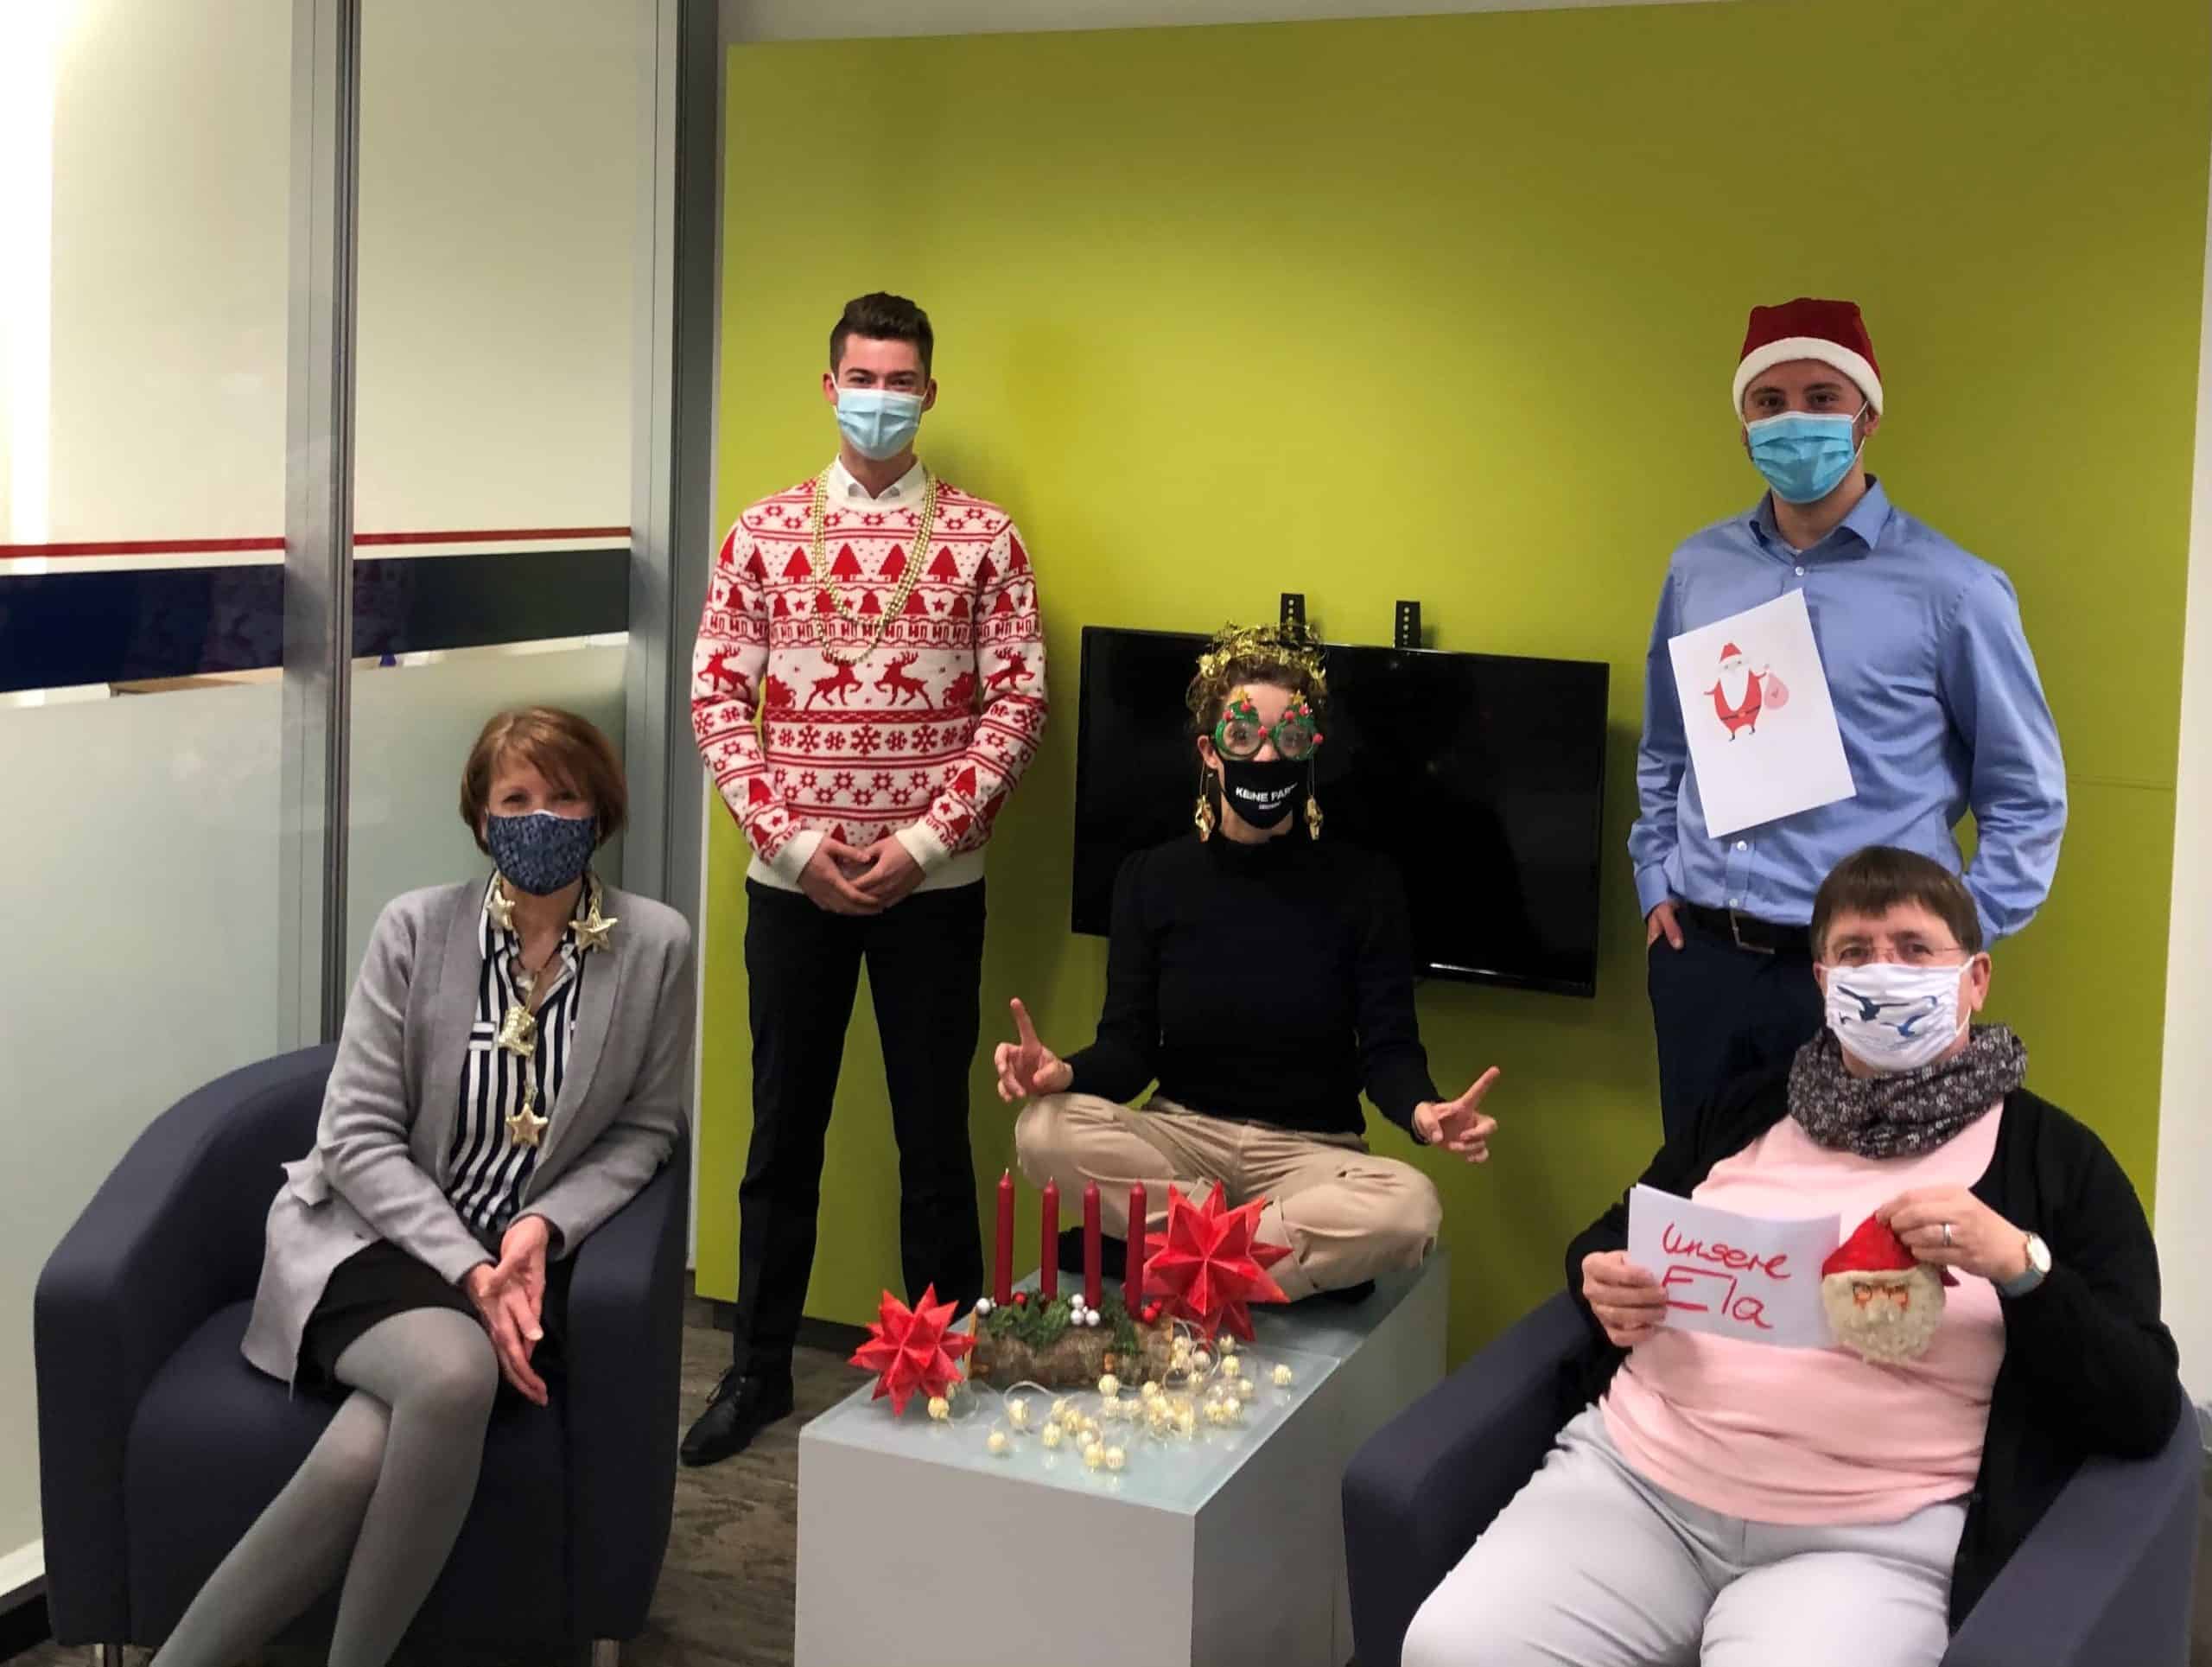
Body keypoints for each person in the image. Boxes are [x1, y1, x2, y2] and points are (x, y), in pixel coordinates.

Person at [1401, 846, 2178, 1667]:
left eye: (1914, 949)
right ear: (1822, 982)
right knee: (1450, 1648)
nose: (1883, 972)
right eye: (1855, 952)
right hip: (1637, 1484)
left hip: (1867, 1540)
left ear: (1976, 978)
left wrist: (2019, 1263)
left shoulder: (2054, 1162)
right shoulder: (1746, 1108)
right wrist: (1599, 1279)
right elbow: (1612, 1236)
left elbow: (2141, 1401)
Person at [152, 708, 693, 1667]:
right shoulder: (417, 929)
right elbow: (353, 1135)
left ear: (601, 811)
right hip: (377, 1239)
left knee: (369, 1445)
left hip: (520, 1263)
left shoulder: (655, 945)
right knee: (451, 1374)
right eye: (514, 799)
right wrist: (468, 1268)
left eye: (564, 795)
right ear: (481, 819)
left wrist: (541, 1227)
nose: (539, 817)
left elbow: (647, 1129)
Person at [684, 291, 1047, 1464]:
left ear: (928, 393)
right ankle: (755, 1369)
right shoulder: (761, 533)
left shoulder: (986, 539)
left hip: (931, 893)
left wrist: (922, 845)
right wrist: (796, 847)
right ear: (830, 386)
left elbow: (1018, 706)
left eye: (900, 381)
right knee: (781, 1135)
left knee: (932, 1137)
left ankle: (944, 1368)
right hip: (792, 889)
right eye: (862, 378)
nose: (880, 399)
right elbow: (716, 699)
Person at [1630, 296, 2066, 1142]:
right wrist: (1654, 876)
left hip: (1867, 978)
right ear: (1744, 425)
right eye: (1770, 401)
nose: (1794, 420)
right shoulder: (1698, 570)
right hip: (1703, 963)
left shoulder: (1956, 590)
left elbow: (2026, 795)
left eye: (1821, 397)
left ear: (1867, 416)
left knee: (1864, 1204)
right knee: (1703, 1191)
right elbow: (1667, 745)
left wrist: (1943, 945)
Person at [1001, 622, 1500, 1300]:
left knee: (1411, 1208)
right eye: (1244, 736)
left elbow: (1387, 1049)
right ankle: (1265, 1262)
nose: (1266, 755)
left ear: (1309, 749)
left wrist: (1423, 1110)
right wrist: (1065, 1073)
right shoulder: (1150, 878)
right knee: (1042, 1129)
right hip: (1181, 1139)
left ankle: (1167, 1254)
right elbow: (1128, 1049)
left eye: (1286, 739)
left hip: (1310, 1156)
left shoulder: (1367, 885)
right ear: (1210, 751)